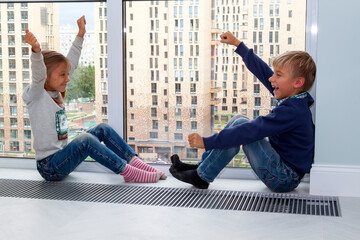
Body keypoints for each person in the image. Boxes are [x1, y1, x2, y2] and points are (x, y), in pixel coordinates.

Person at [23, 16, 166, 183]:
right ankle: (127, 172)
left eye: (66, 74)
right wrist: (36, 51)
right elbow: (38, 75)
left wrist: (81, 34)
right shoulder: (35, 95)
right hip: (49, 167)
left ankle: (136, 163)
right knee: (86, 140)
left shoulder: (54, 92)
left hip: (63, 158)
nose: (67, 79)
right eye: (62, 75)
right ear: (45, 77)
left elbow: (72, 63)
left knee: (103, 128)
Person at [170, 31, 316, 192]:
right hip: (280, 169)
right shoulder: (295, 99)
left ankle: (202, 175)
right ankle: (201, 169)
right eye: (274, 73)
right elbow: (263, 72)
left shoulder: (292, 111)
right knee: (239, 118)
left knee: (242, 125)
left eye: (278, 75)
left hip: (284, 178)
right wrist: (239, 46)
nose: (271, 78)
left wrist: (207, 142)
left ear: (297, 82)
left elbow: (253, 129)